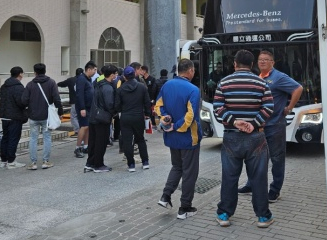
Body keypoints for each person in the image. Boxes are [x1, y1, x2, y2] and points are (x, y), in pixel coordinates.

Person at [213, 49, 274, 228]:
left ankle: (224, 214)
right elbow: (269, 107)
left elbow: (218, 106)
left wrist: (235, 121)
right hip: (256, 137)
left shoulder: (224, 82)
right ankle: (263, 217)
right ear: (252, 64)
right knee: (259, 178)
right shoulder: (261, 83)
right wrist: (253, 124)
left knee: (229, 177)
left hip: (231, 136)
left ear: (235, 63)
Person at [238, 50, 303, 203]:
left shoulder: (278, 77)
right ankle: (251, 185)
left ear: (272, 62)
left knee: (277, 158)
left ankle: (275, 190)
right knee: (256, 158)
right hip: (259, 125)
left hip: (275, 125)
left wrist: (290, 107)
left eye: (266, 60)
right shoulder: (258, 77)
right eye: (260, 59)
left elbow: (298, 88)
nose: (262, 62)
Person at [155, 59, 202, 219]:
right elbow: (190, 116)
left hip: (171, 137)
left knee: (177, 167)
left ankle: (165, 196)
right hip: (188, 138)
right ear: (190, 70)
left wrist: (165, 118)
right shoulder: (193, 90)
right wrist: (177, 125)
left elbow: (158, 106)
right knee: (190, 172)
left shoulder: (166, 85)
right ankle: (185, 207)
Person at [21, 63, 62, 170]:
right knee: (47, 137)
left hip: (33, 116)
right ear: (45, 70)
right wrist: (60, 112)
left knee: (33, 138)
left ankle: (33, 163)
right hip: (46, 116)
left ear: (35, 72)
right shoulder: (51, 82)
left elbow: (24, 100)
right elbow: (57, 98)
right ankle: (45, 161)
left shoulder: (30, 84)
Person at [115, 66, 151, 172]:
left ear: (125, 77)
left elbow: (117, 105)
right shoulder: (142, 87)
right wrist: (147, 114)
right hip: (139, 116)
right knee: (140, 139)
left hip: (125, 116)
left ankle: (131, 164)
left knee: (127, 141)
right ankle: (145, 162)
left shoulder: (120, 89)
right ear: (134, 75)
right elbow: (147, 102)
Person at [85, 64, 119, 173]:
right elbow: (109, 104)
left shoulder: (98, 84)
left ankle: (90, 163)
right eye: (115, 73)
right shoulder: (108, 87)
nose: (116, 75)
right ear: (112, 75)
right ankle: (98, 165)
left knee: (93, 141)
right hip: (102, 118)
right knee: (101, 141)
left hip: (94, 116)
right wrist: (114, 112)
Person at [0, 66, 27, 169]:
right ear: (20, 74)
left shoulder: (4, 86)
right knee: (13, 139)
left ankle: (3, 161)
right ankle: (11, 161)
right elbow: (21, 102)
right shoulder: (19, 87)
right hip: (15, 116)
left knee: (5, 138)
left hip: (4, 116)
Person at [74, 61, 98, 158]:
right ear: (89, 69)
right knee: (84, 126)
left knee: (88, 126)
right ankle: (77, 147)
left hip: (89, 107)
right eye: (94, 70)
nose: (95, 72)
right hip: (83, 108)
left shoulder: (88, 79)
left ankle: (86, 146)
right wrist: (82, 108)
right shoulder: (81, 79)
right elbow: (79, 94)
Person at [57, 67, 83, 137]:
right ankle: (83, 130)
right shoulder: (85, 80)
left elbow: (61, 84)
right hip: (83, 101)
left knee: (73, 116)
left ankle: (78, 131)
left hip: (74, 101)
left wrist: (55, 84)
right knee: (81, 116)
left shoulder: (71, 80)